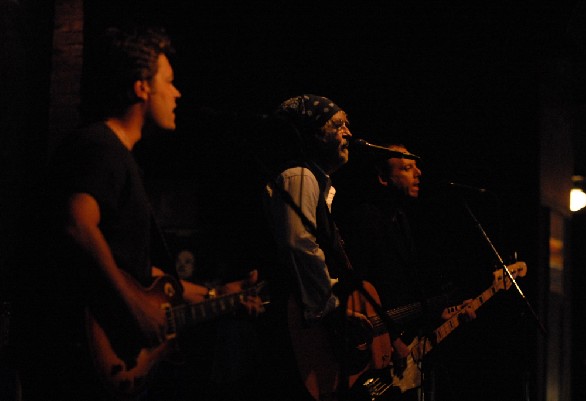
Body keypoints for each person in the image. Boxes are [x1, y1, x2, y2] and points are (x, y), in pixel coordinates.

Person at [18, 26, 262, 401]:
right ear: (142, 88)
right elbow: (77, 225)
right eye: (169, 81)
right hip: (79, 361)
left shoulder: (120, 158)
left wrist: (220, 294)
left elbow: (145, 278)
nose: (177, 93)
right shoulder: (100, 146)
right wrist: (132, 308)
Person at [339, 143, 476, 401]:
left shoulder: (402, 221)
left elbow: (403, 294)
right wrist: (392, 339)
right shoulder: (366, 219)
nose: (418, 173)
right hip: (371, 350)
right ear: (382, 178)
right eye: (407, 168)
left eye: (416, 167)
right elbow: (357, 292)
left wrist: (438, 314)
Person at [260, 94, 364, 401]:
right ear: (314, 133)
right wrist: (331, 311)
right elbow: (299, 244)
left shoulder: (315, 182)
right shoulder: (300, 175)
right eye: (339, 125)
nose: (349, 133)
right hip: (297, 329)